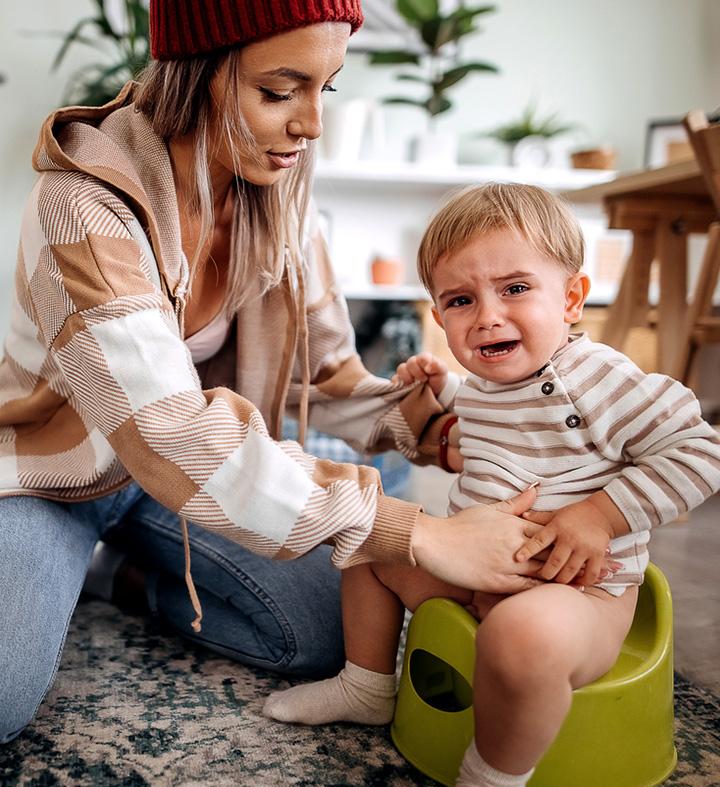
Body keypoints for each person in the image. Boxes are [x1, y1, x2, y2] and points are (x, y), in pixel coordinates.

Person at [0, 4, 553, 746]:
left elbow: (324, 377)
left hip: (194, 472)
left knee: (327, 634)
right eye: (279, 91)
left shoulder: (282, 194)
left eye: (324, 89)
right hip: (57, 472)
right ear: (194, 76)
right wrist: (416, 532)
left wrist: (436, 426)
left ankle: (118, 576)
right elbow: (166, 431)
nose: (311, 126)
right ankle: (83, 554)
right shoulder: (81, 205)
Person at [262, 183, 720, 787]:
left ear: (572, 299)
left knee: (522, 637)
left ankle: (494, 781)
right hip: (476, 570)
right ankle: (367, 686)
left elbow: (702, 452)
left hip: (575, 594)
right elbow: (482, 416)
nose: (487, 316)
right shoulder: (482, 383)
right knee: (370, 541)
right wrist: (434, 385)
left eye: (515, 289)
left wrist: (598, 515)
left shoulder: (603, 380)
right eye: (459, 300)